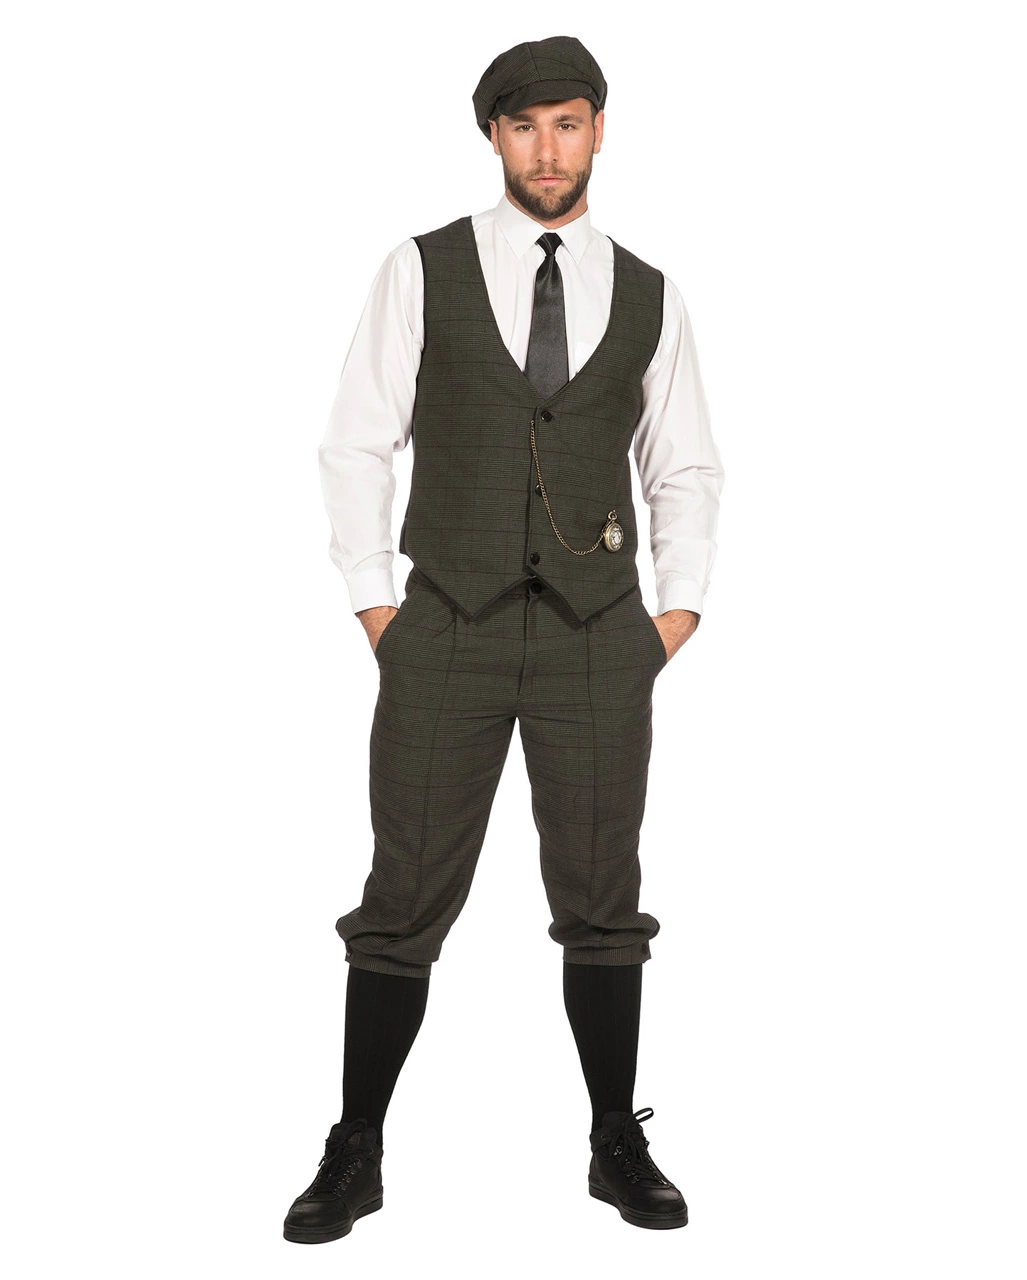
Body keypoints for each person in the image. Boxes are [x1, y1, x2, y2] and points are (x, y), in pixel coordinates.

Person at [283, 34, 725, 1242]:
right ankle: (356, 1147)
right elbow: (355, 439)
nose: (547, 147)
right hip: (445, 626)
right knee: (403, 892)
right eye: (524, 125)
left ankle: (614, 1140)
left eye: (567, 122)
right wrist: (378, 606)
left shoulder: (649, 292)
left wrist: (672, 614)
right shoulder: (419, 267)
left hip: (599, 635)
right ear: (494, 134)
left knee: (603, 892)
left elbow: (684, 462)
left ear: (598, 130)